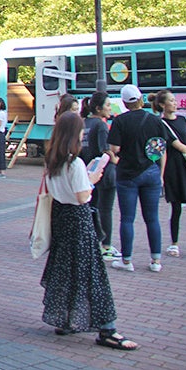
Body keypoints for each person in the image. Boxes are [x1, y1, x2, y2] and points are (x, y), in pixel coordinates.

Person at [40, 112, 137, 350]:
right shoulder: (75, 163)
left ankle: (65, 319)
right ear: (75, 134)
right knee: (92, 274)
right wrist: (92, 179)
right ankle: (107, 329)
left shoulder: (52, 160)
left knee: (65, 270)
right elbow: (82, 196)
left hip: (61, 217)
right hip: (78, 219)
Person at [106, 84, 175, 273]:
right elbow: (161, 149)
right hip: (151, 172)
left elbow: (114, 149)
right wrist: (160, 175)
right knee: (152, 218)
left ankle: (126, 261)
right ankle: (156, 261)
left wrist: (116, 158)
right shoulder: (154, 120)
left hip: (127, 174)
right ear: (140, 99)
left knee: (127, 218)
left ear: (124, 102)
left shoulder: (120, 121)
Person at [153, 90, 186, 260]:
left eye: (175, 100)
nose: (175, 103)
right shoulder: (160, 124)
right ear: (162, 105)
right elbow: (177, 146)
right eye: (171, 101)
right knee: (176, 208)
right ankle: (174, 244)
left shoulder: (183, 120)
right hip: (173, 170)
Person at [83, 93, 119, 260]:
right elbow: (105, 150)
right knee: (105, 210)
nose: (109, 109)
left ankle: (91, 243)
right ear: (98, 108)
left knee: (92, 209)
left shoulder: (84, 123)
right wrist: (117, 159)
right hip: (103, 174)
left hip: (87, 174)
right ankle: (106, 246)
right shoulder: (101, 125)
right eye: (108, 105)